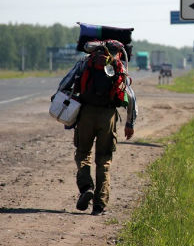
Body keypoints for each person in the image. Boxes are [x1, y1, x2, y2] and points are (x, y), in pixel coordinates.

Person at [57, 51, 137, 216]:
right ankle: (99, 205)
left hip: (86, 113)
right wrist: (130, 123)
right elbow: (131, 96)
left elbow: (64, 84)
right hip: (108, 117)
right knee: (104, 159)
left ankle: (87, 187)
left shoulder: (86, 62)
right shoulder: (117, 65)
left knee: (83, 153)